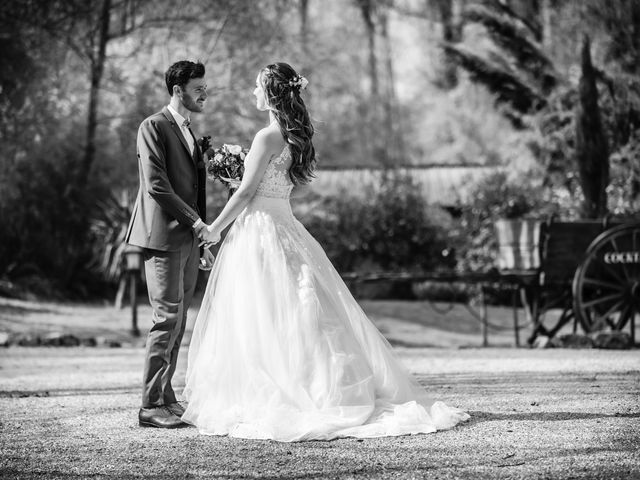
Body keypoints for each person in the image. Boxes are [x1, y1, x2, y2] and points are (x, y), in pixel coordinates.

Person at [182, 62, 469, 441]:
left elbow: (249, 192)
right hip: (285, 225)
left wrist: (214, 230)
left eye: (257, 87)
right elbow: (265, 186)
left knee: (264, 311)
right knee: (293, 310)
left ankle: (286, 390)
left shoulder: (267, 136)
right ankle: (320, 384)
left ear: (271, 93)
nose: (253, 93)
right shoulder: (293, 137)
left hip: (262, 231)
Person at [126, 60, 214, 429]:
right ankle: (149, 405)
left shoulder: (190, 130)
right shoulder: (153, 126)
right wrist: (197, 222)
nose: (203, 93)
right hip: (161, 237)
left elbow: (195, 190)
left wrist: (201, 237)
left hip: (188, 239)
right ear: (178, 90)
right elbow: (156, 186)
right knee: (165, 319)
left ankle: (166, 397)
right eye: (197, 88)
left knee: (179, 322)